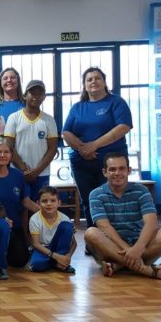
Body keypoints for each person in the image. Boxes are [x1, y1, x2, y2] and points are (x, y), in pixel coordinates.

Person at [84, 153, 161, 279]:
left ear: (129, 170)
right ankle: (145, 269)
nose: (117, 173)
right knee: (91, 233)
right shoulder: (95, 194)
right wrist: (128, 250)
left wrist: (138, 248)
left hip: (140, 245)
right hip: (112, 246)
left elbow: (151, 223)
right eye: (112, 169)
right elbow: (104, 226)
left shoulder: (141, 191)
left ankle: (118, 265)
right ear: (105, 172)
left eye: (122, 168)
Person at [63, 67, 132, 229]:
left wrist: (94, 145)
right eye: (89, 79)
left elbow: (123, 126)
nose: (93, 81)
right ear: (84, 85)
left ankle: (115, 238)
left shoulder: (116, 102)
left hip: (111, 165)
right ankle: (94, 236)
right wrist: (82, 149)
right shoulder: (77, 107)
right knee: (89, 201)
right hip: (81, 164)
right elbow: (66, 132)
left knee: (111, 200)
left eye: (97, 78)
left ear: (105, 82)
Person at [0, 138, 39, 268]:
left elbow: (26, 201)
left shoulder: (18, 175)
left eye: (6, 152)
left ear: (11, 155)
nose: (2, 155)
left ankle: (5, 251)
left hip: (14, 226)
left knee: (20, 260)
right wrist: (0, 219)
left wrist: (51, 213)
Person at [4, 80, 58, 201]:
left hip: (42, 173)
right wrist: (24, 169)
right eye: (32, 93)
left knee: (40, 206)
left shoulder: (49, 120)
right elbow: (9, 147)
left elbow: (52, 149)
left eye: (40, 94)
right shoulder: (14, 118)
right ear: (25, 95)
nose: (36, 97)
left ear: (44, 97)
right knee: (18, 205)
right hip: (17, 172)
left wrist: (36, 171)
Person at [28, 186, 76, 273]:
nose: (49, 204)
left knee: (67, 226)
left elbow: (74, 243)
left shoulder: (65, 218)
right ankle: (57, 263)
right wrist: (55, 256)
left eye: (53, 201)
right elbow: (35, 244)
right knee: (36, 265)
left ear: (59, 203)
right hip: (42, 249)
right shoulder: (34, 219)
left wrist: (67, 257)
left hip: (59, 249)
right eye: (44, 201)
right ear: (38, 203)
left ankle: (60, 261)